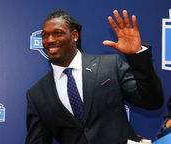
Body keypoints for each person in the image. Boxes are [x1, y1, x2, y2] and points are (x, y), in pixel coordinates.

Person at [25, 9, 163, 144]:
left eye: (58, 33)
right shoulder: (37, 94)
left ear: (74, 35)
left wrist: (136, 55)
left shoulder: (109, 65)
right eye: (44, 35)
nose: (49, 40)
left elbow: (151, 101)